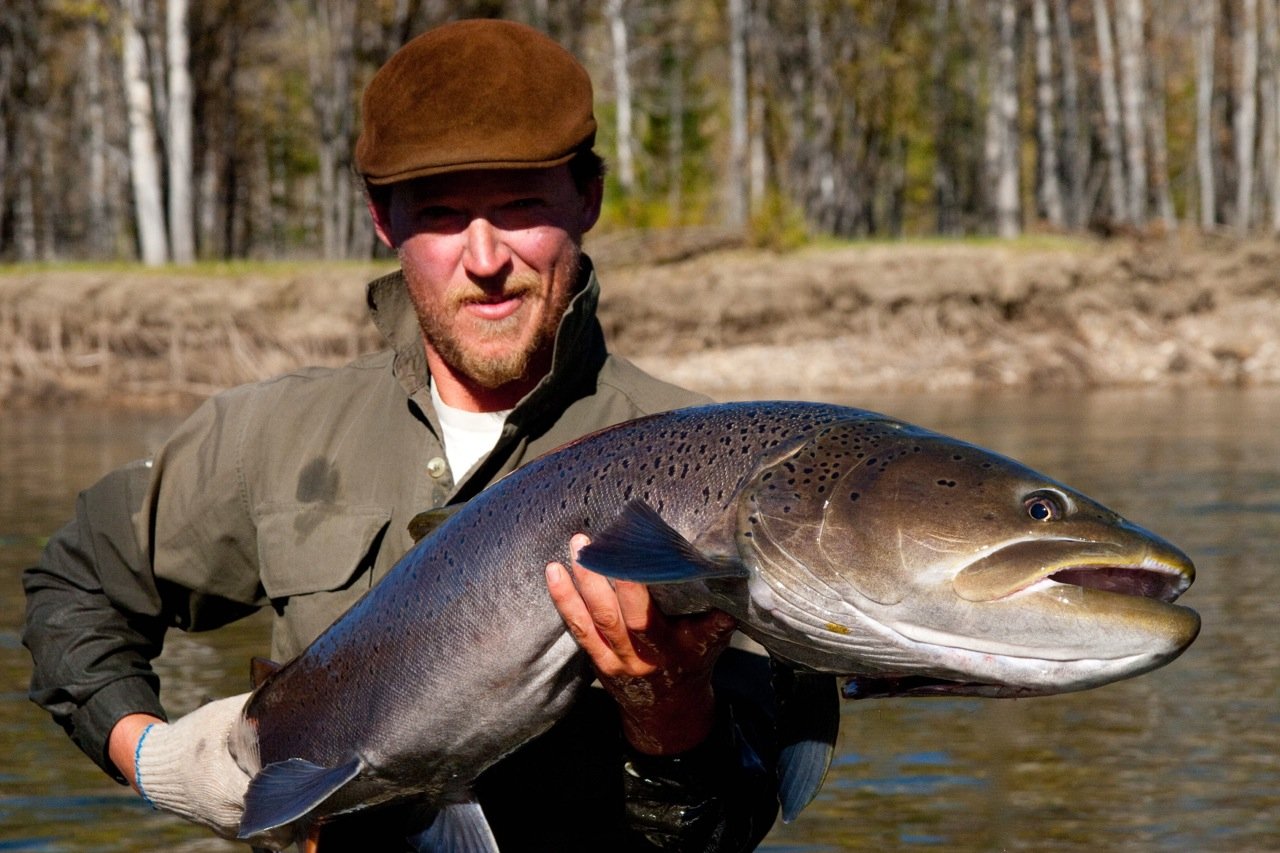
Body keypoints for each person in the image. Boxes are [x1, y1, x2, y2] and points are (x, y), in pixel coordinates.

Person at [23, 18, 779, 852]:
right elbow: (76, 583)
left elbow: (731, 826)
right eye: (444, 214)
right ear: (385, 220)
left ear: (587, 200)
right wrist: (158, 757)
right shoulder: (270, 435)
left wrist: (671, 715)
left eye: (521, 204)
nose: (485, 257)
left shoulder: (716, 472)